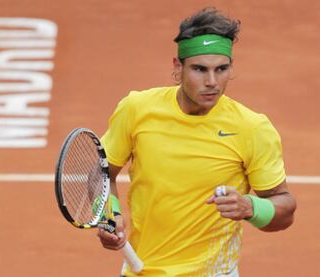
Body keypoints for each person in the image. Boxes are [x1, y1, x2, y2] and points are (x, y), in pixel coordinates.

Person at [97, 7, 297, 277]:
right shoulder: (137, 109)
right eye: (200, 69)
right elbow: (101, 172)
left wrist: (251, 207)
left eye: (221, 69)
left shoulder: (252, 128)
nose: (212, 82)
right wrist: (110, 214)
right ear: (178, 68)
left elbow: (284, 209)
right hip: (141, 271)